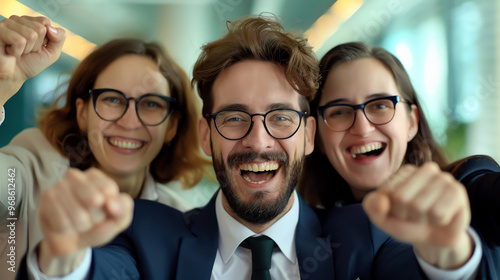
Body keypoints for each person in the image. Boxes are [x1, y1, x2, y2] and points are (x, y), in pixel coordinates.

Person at [17, 16, 487, 280]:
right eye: (234, 117)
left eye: (281, 117)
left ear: (308, 134)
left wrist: (447, 253)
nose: (258, 141)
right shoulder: (145, 234)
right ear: (206, 134)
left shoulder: (367, 236)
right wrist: (61, 256)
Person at [0, 15, 214, 278]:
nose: (129, 121)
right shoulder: (30, 166)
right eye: (112, 99)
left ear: (171, 125)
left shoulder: (177, 222)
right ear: (82, 114)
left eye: (150, 104)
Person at [298, 41, 500, 277]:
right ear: (317, 137)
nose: (362, 128)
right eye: (340, 111)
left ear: (411, 122)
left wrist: (453, 254)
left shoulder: (470, 186)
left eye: (380, 105)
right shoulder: (313, 233)